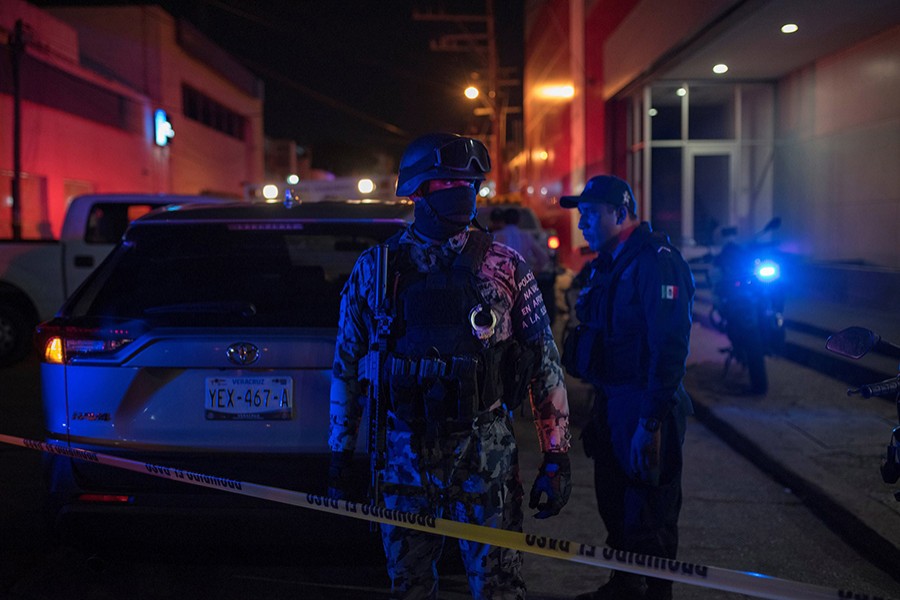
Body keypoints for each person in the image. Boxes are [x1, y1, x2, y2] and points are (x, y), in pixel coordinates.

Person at [327, 132, 572, 600]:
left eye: (471, 183)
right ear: (416, 190)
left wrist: (557, 455)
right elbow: (346, 369)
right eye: (447, 183)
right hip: (402, 456)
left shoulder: (506, 266)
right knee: (409, 586)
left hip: (486, 455)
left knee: (499, 588)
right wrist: (340, 459)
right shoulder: (376, 270)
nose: (464, 193)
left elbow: (544, 365)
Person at [559, 175, 695, 600]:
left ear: (621, 213)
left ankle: (654, 593)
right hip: (612, 399)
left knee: (649, 516)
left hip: (644, 402)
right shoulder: (609, 262)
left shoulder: (656, 262)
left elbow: (669, 345)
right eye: (581, 215)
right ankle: (623, 585)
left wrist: (650, 422)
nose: (583, 223)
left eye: (592, 214)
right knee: (614, 505)